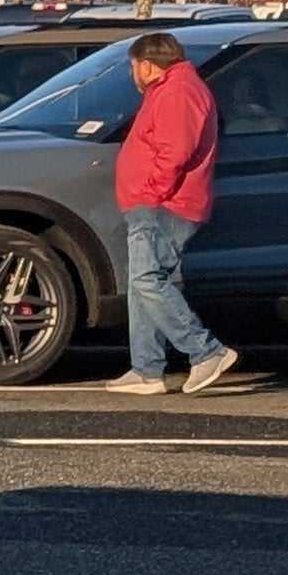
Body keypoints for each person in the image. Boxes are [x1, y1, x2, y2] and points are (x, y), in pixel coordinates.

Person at [110, 31, 238, 395]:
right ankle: (147, 369)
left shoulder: (179, 91)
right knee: (141, 285)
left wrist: (151, 194)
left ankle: (206, 351)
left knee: (148, 280)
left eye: (132, 65)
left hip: (164, 205)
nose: (132, 73)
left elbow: (175, 152)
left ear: (146, 65)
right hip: (153, 203)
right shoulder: (168, 89)